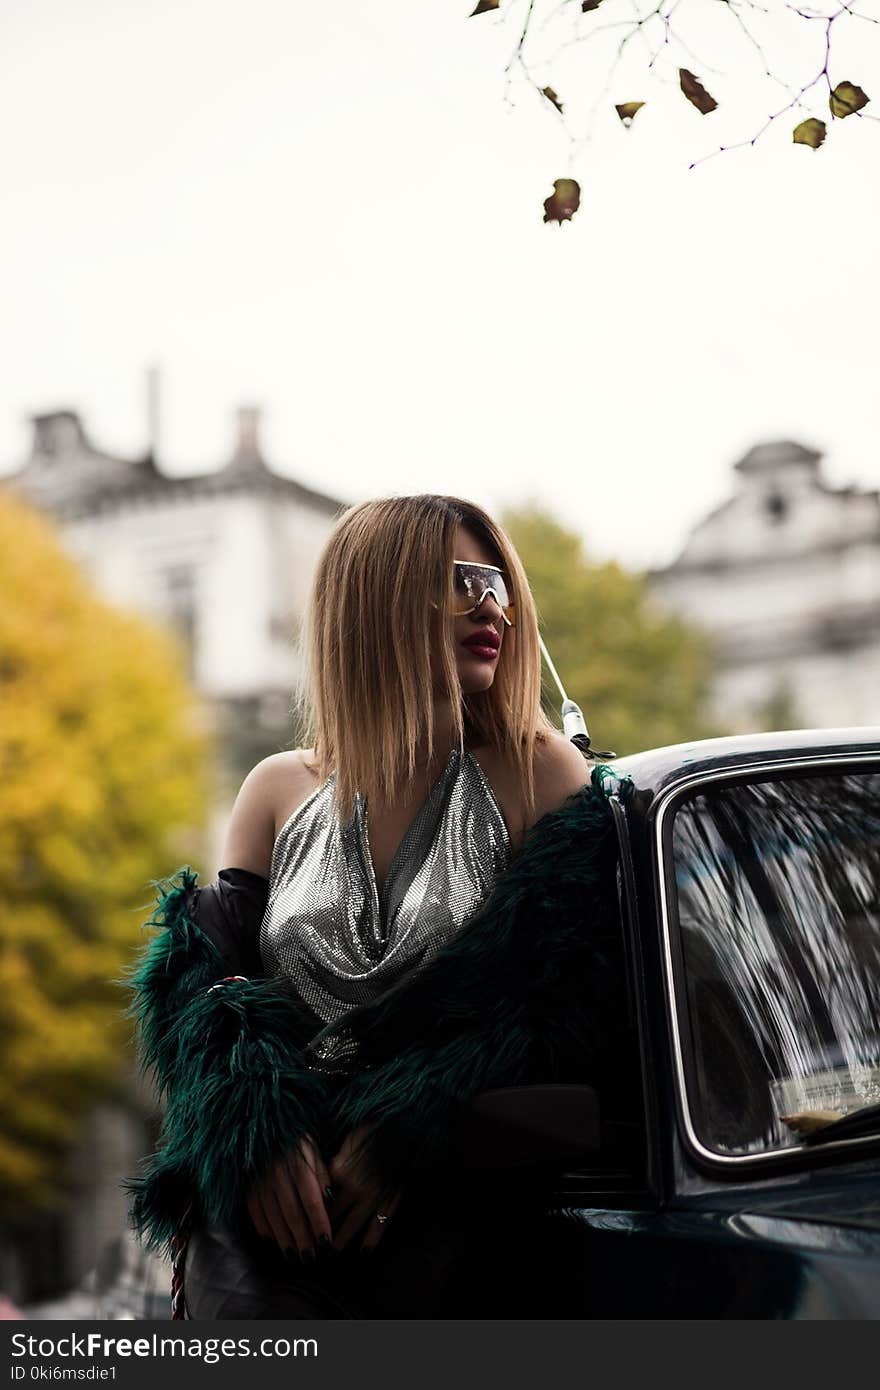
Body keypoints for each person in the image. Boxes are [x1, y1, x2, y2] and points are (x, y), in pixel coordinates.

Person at [125, 494, 633, 1319]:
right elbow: (206, 1002)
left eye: (498, 581)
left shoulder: (543, 776)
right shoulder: (274, 788)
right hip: (260, 1236)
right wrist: (252, 1123)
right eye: (458, 581)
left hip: (455, 1229)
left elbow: (568, 1017)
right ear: (376, 600)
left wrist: (415, 1127)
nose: (490, 604)